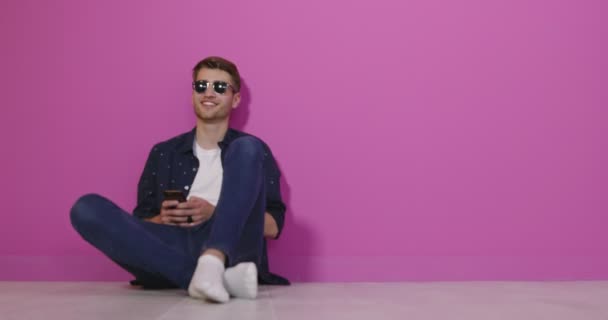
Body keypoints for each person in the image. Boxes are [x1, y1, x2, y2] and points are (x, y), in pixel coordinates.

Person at [70, 56, 289, 303]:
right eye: (201, 86)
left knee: (248, 145)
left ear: (235, 98)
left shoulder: (249, 151)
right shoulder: (163, 153)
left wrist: (215, 214)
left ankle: (213, 260)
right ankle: (212, 278)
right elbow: (139, 224)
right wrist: (162, 219)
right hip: (171, 246)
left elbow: (273, 227)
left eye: (219, 87)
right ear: (192, 93)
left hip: (233, 247)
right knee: (86, 208)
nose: (209, 93)